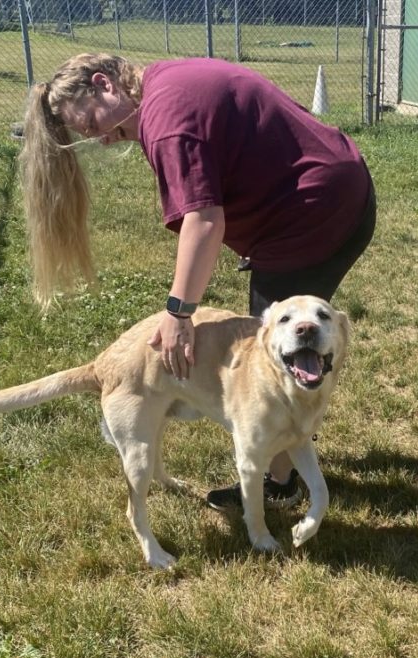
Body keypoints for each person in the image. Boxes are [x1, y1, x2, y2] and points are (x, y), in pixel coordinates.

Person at [19, 53, 376, 512]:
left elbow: (205, 222)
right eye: (88, 136)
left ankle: (279, 483)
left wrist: (178, 313)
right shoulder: (165, 81)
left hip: (312, 209)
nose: (103, 140)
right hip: (338, 186)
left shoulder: (165, 115)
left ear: (105, 84)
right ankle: (287, 446)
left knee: (275, 348)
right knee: (280, 348)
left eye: (91, 123)